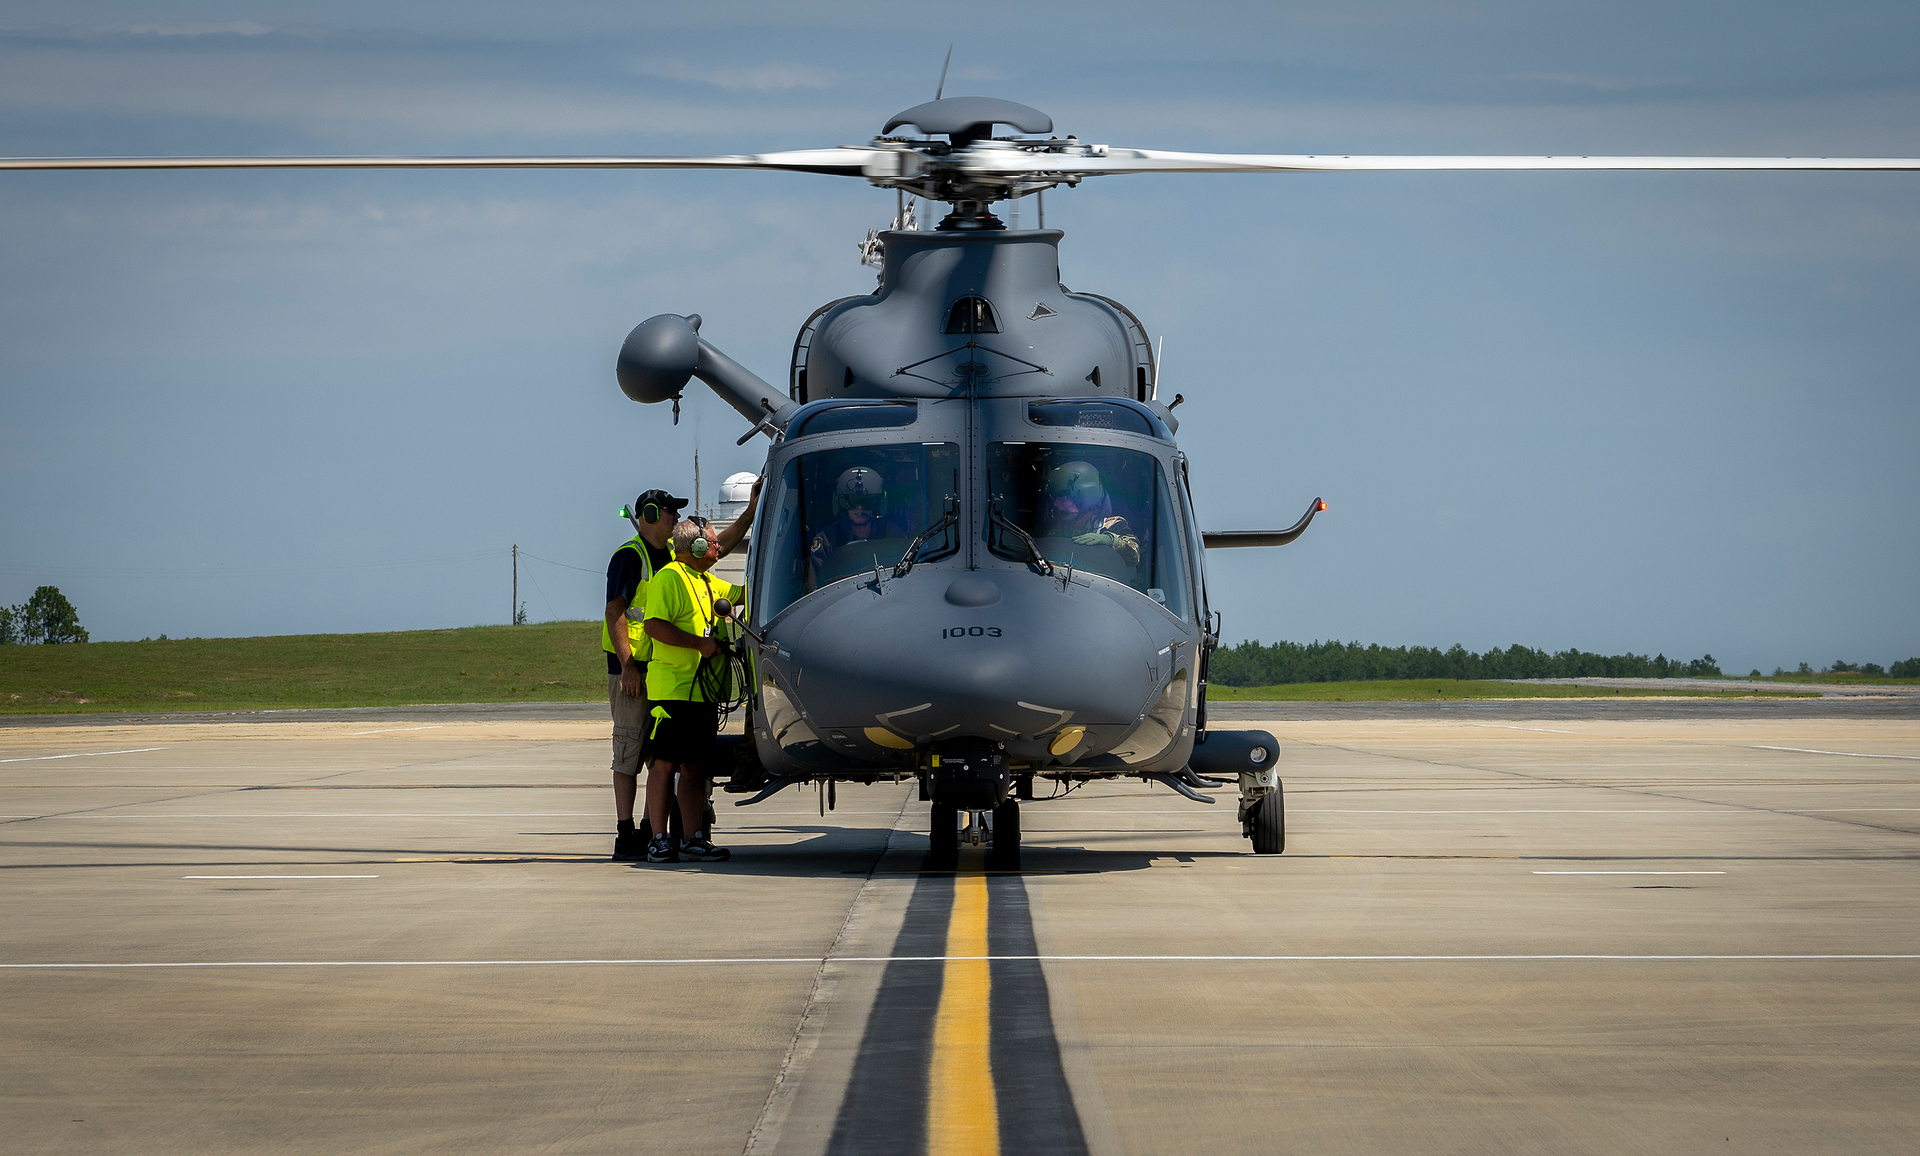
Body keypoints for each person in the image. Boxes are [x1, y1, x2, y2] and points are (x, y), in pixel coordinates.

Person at [605, 482, 759, 861]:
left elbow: (726, 557)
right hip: (653, 678)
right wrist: (628, 666)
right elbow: (624, 615)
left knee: (690, 765)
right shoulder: (646, 562)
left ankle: (684, 836)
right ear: (653, 516)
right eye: (670, 511)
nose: (675, 517)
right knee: (640, 756)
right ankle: (636, 835)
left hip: (697, 690)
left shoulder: (695, 572)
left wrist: (754, 510)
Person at [641, 518, 747, 863]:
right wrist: (698, 644)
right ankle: (658, 839)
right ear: (697, 548)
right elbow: (654, 625)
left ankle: (693, 839)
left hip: (701, 693)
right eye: (714, 543)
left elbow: (743, 594)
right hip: (673, 690)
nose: (718, 548)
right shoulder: (669, 578)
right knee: (665, 763)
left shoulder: (706, 581)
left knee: (695, 767)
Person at [809, 465, 908, 580]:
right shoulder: (828, 539)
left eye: (867, 502)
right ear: (841, 503)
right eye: (852, 501)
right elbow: (816, 584)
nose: (860, 508)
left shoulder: (892, 533)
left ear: (877, 503)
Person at [1040, 460, 1141, 567]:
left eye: (1063, 498)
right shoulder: (1060, 529)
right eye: (1055, 498)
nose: (1055, 504)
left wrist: (1110, 541)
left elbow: (1135, 556)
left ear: (1085, 498)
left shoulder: (1112, 525)